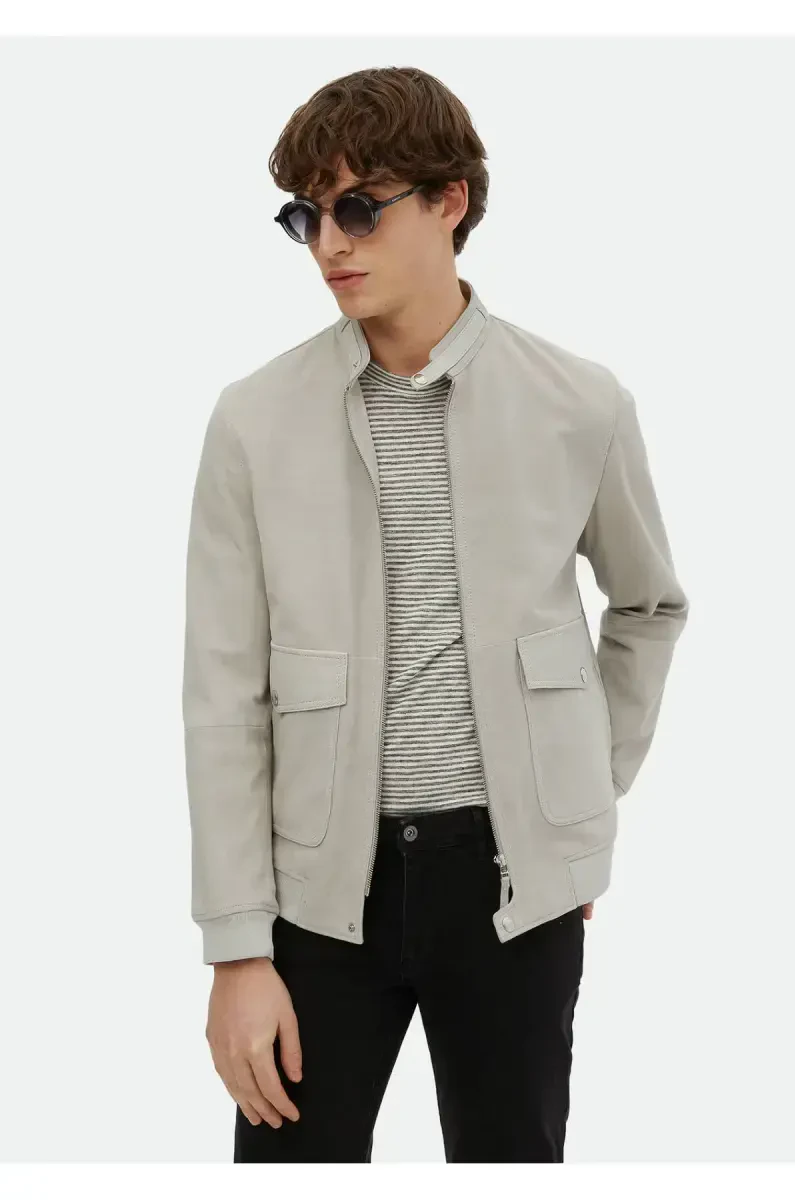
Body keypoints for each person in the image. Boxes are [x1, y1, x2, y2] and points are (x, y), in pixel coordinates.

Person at [181, 66, 689, 1164]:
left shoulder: (578, 403)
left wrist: (571, 804)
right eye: (306, 216)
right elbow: (222, 695)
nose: (329, 243)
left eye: (359, 208)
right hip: (318, 894)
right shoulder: (254, 421)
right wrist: (235, 949)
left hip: (509, 887)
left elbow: (648, 604)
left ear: (449, 200)